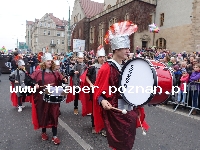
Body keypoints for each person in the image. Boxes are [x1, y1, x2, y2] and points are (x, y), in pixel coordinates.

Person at [93, 21, 149, 150]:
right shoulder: (106, 68)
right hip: (115, 112)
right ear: (117, 49)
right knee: (118, 143)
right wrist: (102, 101)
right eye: (126, 49)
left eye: (128, 49)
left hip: (130, 111)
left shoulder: (127, 67)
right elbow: (98, 91)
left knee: (129, 142)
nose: (128, 51)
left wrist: (139, 105)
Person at [30, 53, 67, 145]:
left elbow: (61, 81)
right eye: (48, 61)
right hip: (42, 98)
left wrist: (64, 80)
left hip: (54, 98)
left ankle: (55, 136)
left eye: (51, 61)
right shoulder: (38, 72)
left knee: (54, 115)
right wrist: (35, 84)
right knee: (44, 114)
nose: (50, 62)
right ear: (44, 62)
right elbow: (29, 80)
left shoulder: (56, 72)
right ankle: (43, 132)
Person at [80, 45, 106, 135]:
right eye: (100, 57)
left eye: (103, 57)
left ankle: (103, 126)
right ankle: (94, 126)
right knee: (94, 108)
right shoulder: (93, 67)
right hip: (94, 90)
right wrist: (91, 84)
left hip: (104, 90)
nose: (102, 59)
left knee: (104, 108)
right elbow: (86, 76)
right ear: (97, 58)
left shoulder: (107, 67)